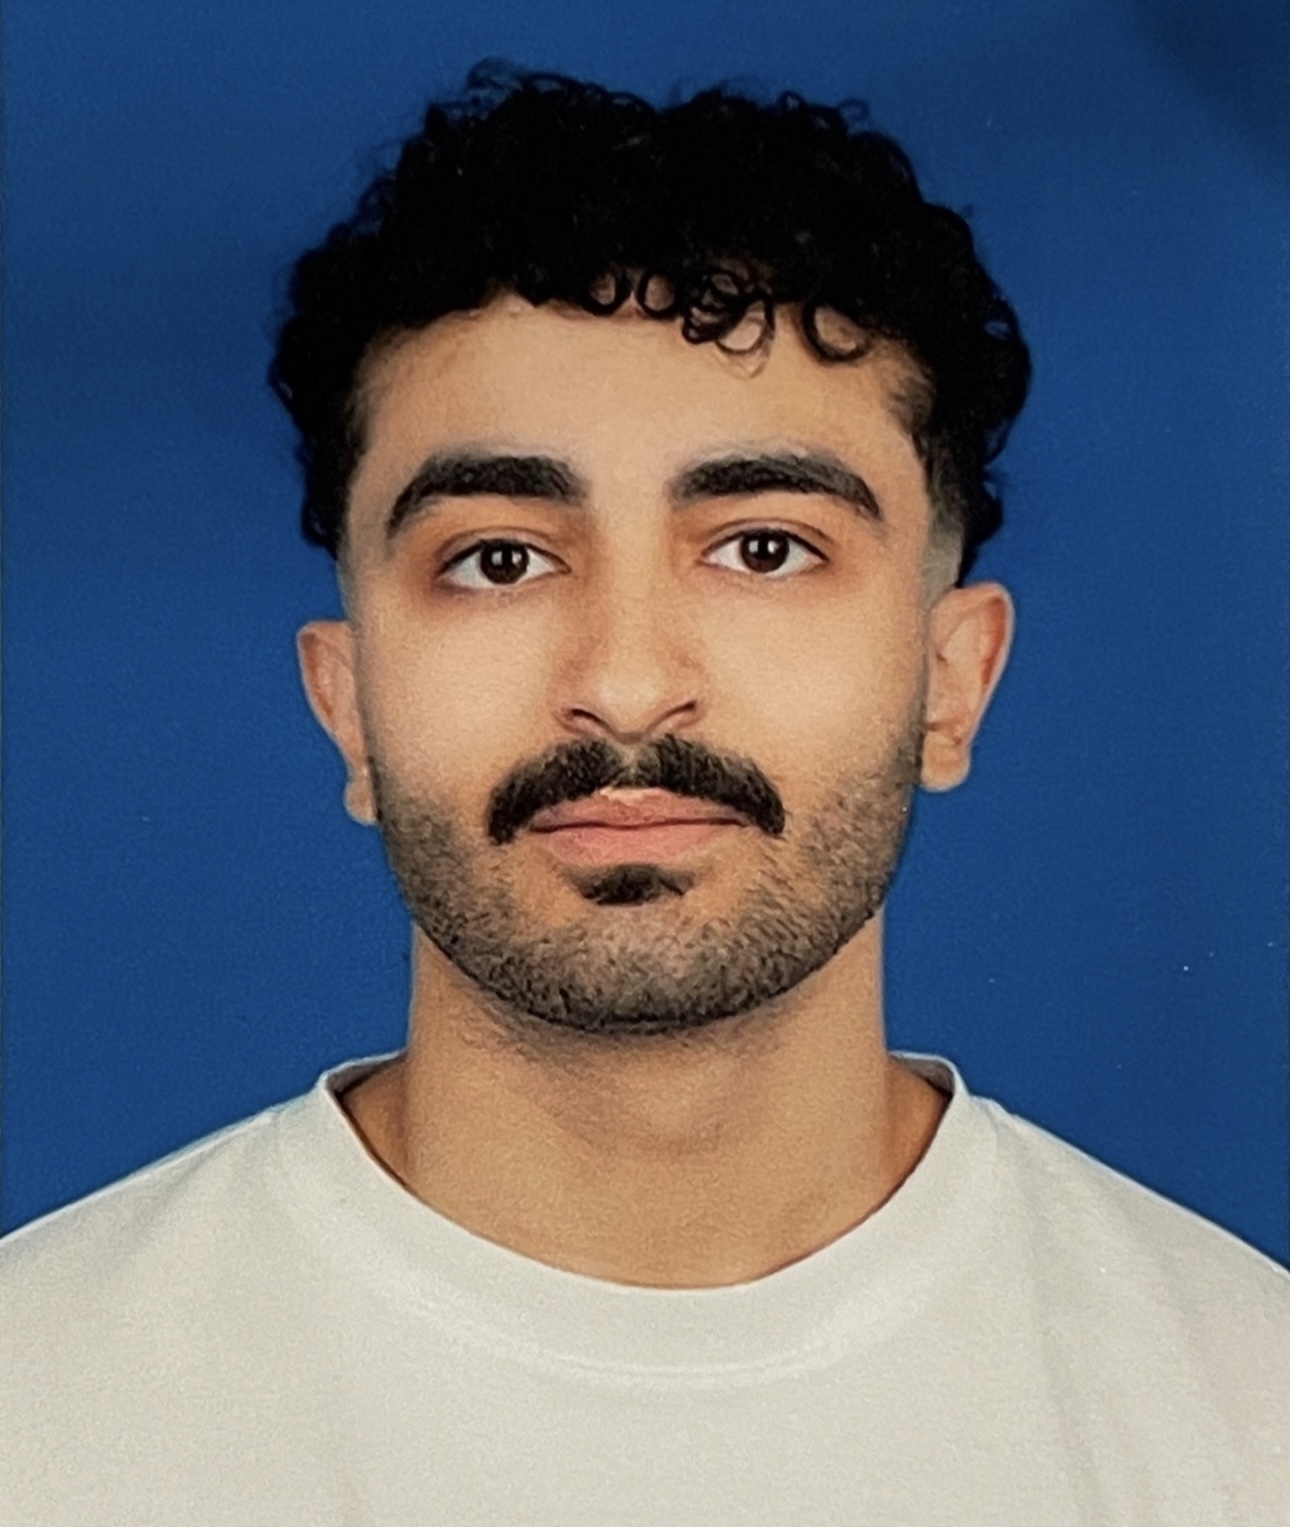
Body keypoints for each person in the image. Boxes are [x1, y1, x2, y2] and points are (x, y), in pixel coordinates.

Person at [1, 63, 1285, 1525]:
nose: (623, 684)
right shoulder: (35, 1412)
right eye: (498, 559)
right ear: (347, 702)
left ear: (951, 681)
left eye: (762, 549)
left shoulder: (1246, 1418)